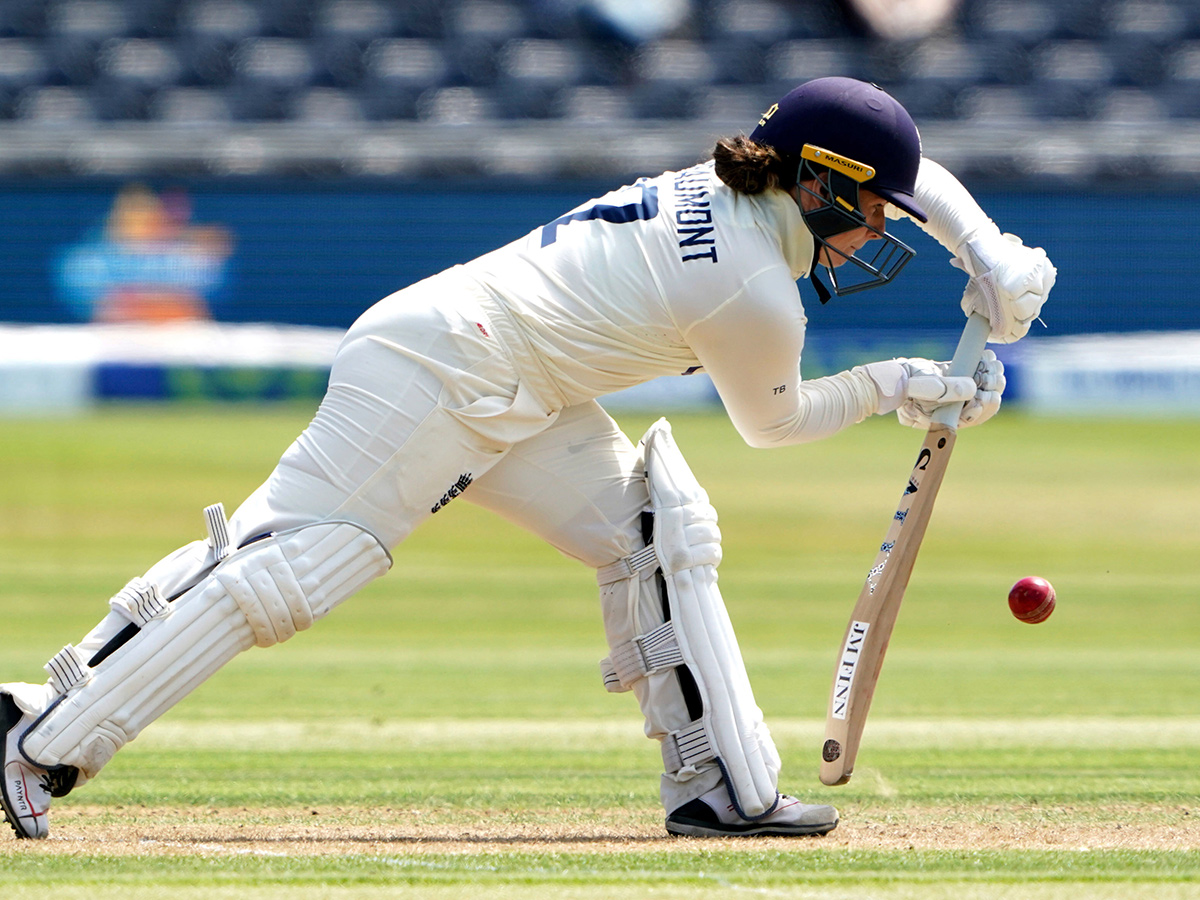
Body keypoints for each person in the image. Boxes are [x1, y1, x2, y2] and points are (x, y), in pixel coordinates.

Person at [1, 77, 1055, 840]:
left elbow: (904, 161)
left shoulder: (742, 183)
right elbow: (772, 425)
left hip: (514, 384)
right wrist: (904, 384)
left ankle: (719, 787)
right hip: (445, 370)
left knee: (653, 531)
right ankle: (38, 738)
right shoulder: (750, 286)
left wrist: (988, 250)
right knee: (294, 566)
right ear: (818, 183)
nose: (878, 232)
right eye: (872, 211)